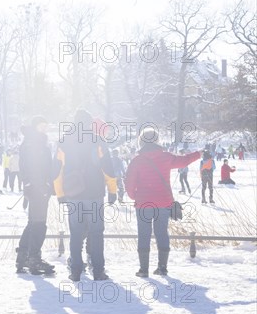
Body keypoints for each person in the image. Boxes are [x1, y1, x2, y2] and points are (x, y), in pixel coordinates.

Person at [125, 128, 201, 277]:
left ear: (141, 140)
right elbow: (184, 160)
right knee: (162, 233)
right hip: (163, 203)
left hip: (143, 204)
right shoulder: (166, 157)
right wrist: (199, 154)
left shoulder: (136, 160)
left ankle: (143, 269)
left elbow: (129, 185)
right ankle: (162, 268)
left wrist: (136, 196)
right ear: (157, 140)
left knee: (144, 234)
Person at [53, 110, 114, 281]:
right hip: (94, 194)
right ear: (89, 123)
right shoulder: (98, 141)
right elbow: (107, 168)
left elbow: (57, 170)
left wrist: (60, 193)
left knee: (76, 232)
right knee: (96, 232)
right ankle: (98, 270)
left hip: (74, 194)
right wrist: (113, 190)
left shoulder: (64, 142)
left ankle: (76, 271)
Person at [16, 115, 57, 275]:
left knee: (34, 223)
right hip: (37, 188)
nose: (44, 129)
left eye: (45, 126)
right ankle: (33, 258)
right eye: (41, 126)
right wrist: (35, 184)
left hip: (38, 187)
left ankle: (23, 256)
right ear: (35, 127)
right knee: (39, 224)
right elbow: (27, 166)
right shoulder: (33, 144)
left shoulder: (36, 142)